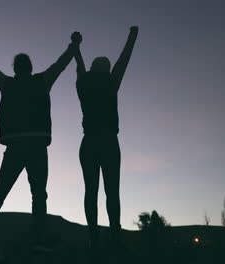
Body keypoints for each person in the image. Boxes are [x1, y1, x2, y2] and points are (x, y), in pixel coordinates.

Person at [0, 32, 82, 250]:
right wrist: (74, 45)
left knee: (0, 191)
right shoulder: (42, 81)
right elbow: (61, 63)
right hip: (37, 147)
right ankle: (38, 241)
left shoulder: (7, 84)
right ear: (30, 67)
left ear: (16, 68)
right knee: (39, 194)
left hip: (14, 147)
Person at [73, 26, 139, 249]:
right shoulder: (111, 83)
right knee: (112, 192)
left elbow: (79, 66)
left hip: (89, 142)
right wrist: (132, 36)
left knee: (90, 191)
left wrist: (76, 47)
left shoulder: (82, 83)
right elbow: (124, 59)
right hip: (109, 142)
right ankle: (115, 237)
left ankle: (94, 237)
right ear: (108, 69)